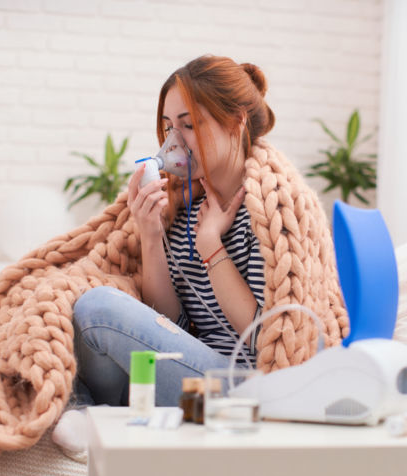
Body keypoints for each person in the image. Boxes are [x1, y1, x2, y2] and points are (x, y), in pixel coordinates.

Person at [53, 54, 277, 454]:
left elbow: (265, 337)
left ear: (236, 123)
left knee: (98, 307)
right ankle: (98, 413)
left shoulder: (267, 209)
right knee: (67, 301)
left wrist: (211, 247)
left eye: (190, 125)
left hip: (243, 388)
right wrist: (151, 235)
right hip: (188, 372)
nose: (174, 142)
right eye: (168, 127)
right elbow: (172, 322)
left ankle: (92, 409)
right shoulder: (183, 206)